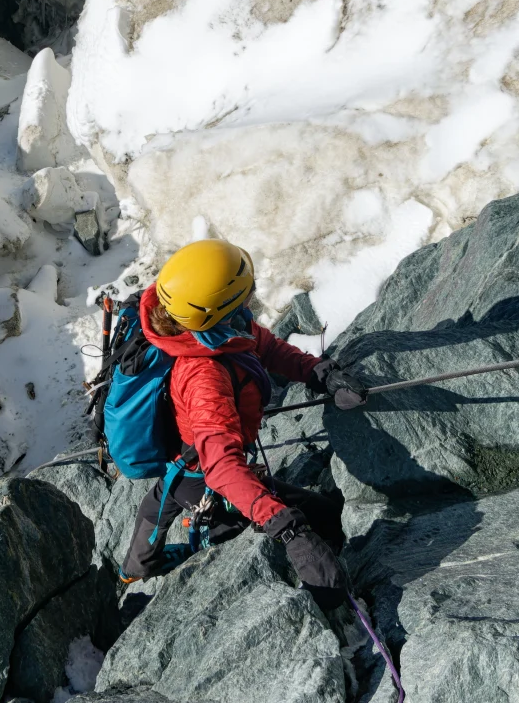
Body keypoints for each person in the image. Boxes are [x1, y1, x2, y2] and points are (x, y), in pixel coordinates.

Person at [119, 239, 366, 607]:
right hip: (202, 474)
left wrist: (319, 372)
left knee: (163, 499)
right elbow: (221, 468)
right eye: (244, 294)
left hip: (190, 461)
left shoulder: (220, 328)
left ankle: (136, 566)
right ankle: (149, 563)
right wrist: (288, 528)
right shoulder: (204, 375)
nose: (251, 297)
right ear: (215, 308)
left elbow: (266, 348)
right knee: (321, 517)